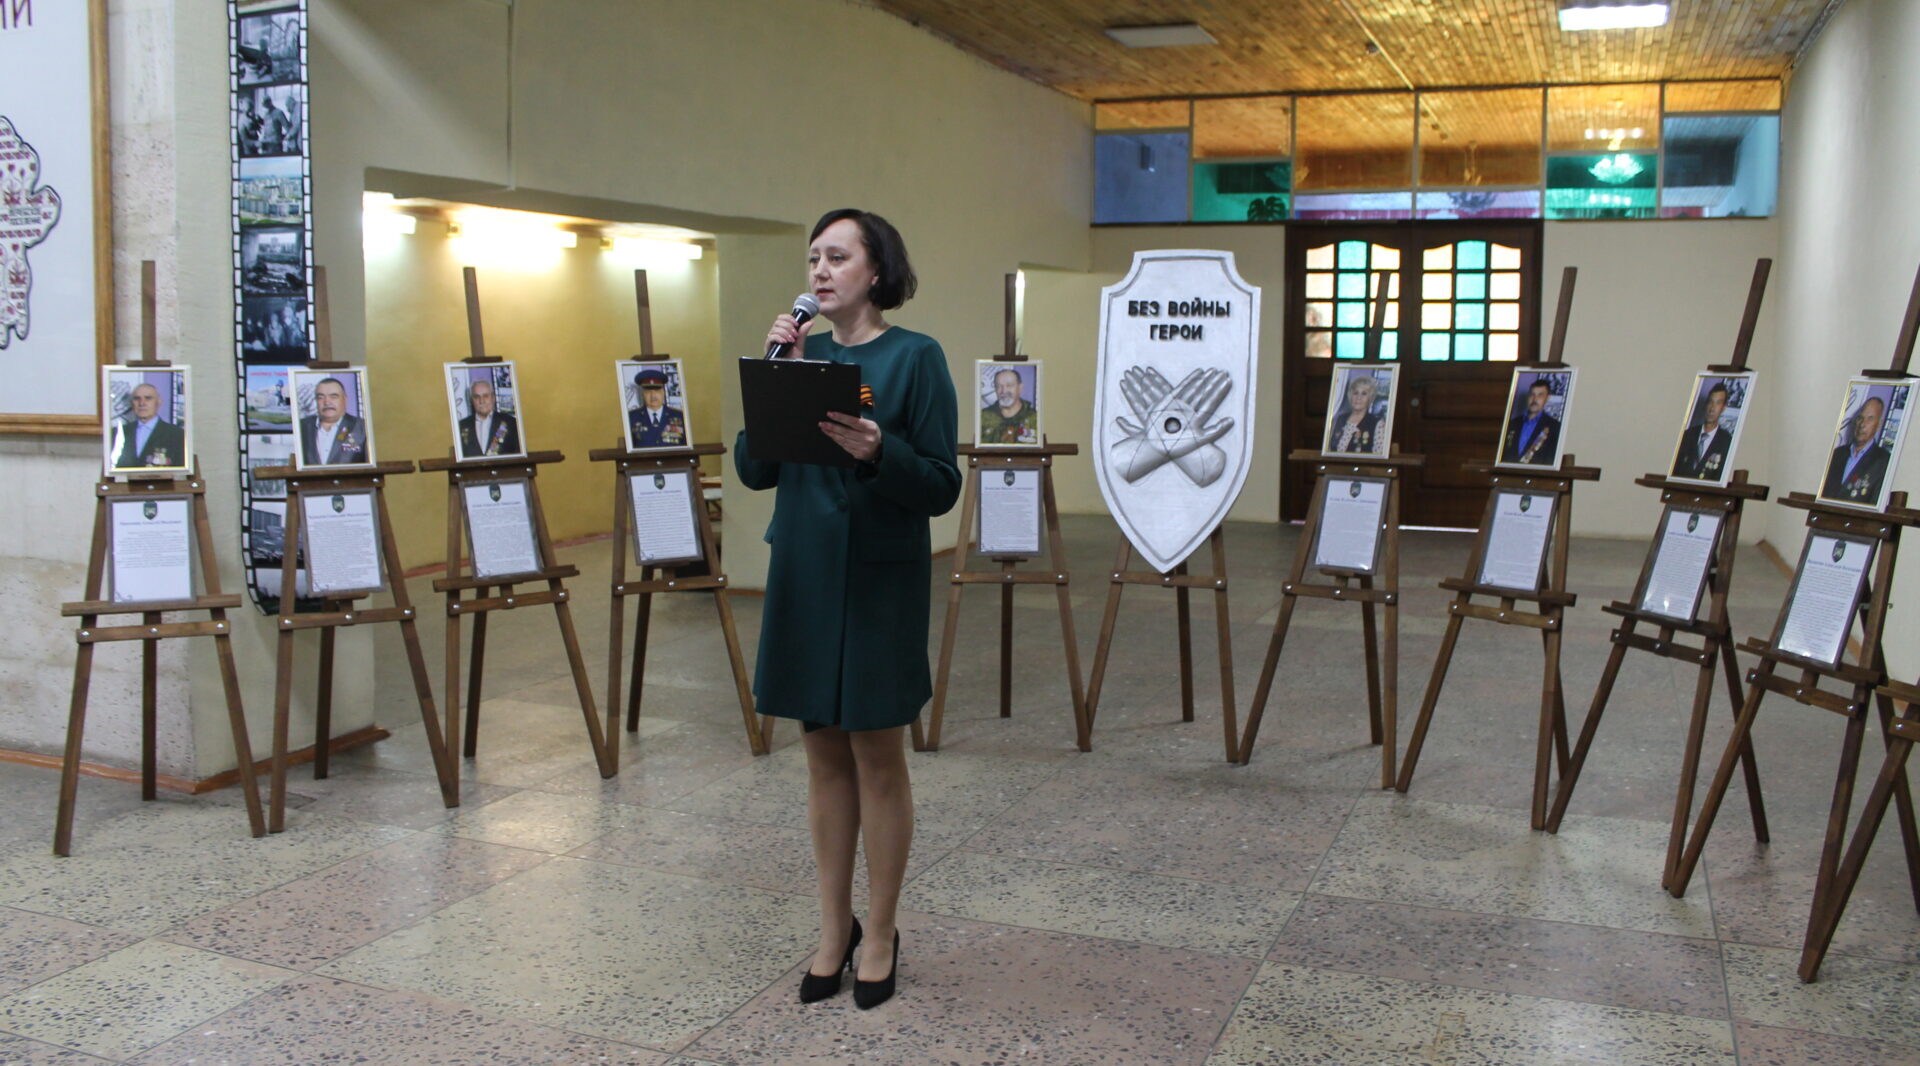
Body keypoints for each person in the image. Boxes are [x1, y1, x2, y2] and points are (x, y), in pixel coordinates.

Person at [738, 208, 959, 1011]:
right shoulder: (800, 355)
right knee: (822, 756)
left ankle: (883, 931)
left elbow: (941, 484)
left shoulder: (915, 358)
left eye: (838, 257)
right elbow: (755, 469)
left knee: (876, 754)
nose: (820, 272)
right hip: (804, 572)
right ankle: (834, 927)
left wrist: (880, 452)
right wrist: (779, 378)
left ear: (875, 271)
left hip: (876, 579)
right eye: (814, 259)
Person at [1823, 394, 1892, 504]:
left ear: (1879, 424)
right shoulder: (1838, 454)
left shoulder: (1883, 461)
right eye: (1860, 418)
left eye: (1870, 419)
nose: (1862, 424)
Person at [111, 382, 186, 468]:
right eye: (137, 398)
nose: (142, 403)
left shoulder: (177, 435)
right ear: (132, 403)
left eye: (148, 398)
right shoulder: (117, 433)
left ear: (158, 402)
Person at [299, 376, 369, 465]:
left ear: (345, 400)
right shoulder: (301, 426)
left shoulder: (362, 427)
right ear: (316, 401)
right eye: (320, 397)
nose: (327, 402)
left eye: (333, 396)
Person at [1672, 382, 1735, 480]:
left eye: (1718, 403)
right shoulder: (1687, 435)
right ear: (1706, 404)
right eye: (1710, 402)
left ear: (1723, 408)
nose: (1712, 408)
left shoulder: (1726, 441)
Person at [1501, 377, 1561, 465]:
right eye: (1532, 394)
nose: (1535, 399)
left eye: (1540, 395)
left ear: (1547, 398)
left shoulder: (1555, 427)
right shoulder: (1512, 423)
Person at [458, 376, 521, 457]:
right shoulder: (461, 426)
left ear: (493, 398)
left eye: (485, 396)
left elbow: (520, 456)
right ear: (471, 400)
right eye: (476, 397)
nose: (481, 401)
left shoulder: (511, 423)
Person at [1326, 372, 1384, 455]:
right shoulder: (1340, 418)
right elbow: (1329, 448)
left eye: (1364, 393)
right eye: (1355, 393)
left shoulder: (1377, 423)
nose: (1358, 397)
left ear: (1370, 398)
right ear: (1350, 396)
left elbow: (1378, 456)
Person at [628, 368, 687, 447]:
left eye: (657, 391)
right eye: (648, 392)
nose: (653, 396)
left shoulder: (680, 416)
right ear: (642, 394)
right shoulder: (631, 418)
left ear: (663, 392)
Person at [978, 367, 1037, 444]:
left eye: (1009, 385)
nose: (1004, 391)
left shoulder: (1035, 418)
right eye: (999, 386)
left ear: (1020, 388)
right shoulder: (983, 417)